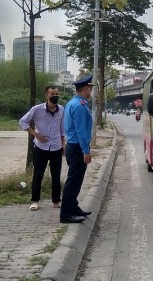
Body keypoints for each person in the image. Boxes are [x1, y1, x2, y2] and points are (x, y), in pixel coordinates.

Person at [19, 85, 65, 211]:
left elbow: (62, 129)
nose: (55, 96)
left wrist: (63, 145)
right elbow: (23, 121)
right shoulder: (37, 109)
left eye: (57, 94)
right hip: (41, 148)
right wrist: (35, 134)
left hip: (56, 147)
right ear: (46, 95)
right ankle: (35, 201)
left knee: (56, 175)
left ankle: (56, 201)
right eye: (52, 94)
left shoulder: (61, 109)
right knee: (38, 175)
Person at [60, 75, 95, 224]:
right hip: (77, 148)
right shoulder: (80, 106)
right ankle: (66, 214)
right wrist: (85, 151)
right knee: (73, 181)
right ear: (86, 89)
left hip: (73, 146)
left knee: (76, 180)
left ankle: (73, 207)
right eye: (90, 89)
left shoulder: (72, 102)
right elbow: (81, 131)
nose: (91, 92)